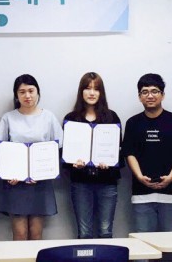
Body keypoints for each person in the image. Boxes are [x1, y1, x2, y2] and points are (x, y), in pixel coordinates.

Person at [0, 74, 63, 240]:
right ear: (16, 95)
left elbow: (57, 147)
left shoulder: (48, 117)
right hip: (15, 184)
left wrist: (44, 172)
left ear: (38, 92)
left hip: (40, 183)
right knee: (19, 234)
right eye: (22, 92)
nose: (27, 95)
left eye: (31, 91)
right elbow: (0, 149)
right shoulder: (8, 118)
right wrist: (8, 174)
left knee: (36, 233)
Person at [122, 73, 172, 232]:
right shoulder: (132, 123)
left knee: (171, 243)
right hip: (141, 194)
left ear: (162, 95)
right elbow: (129, 153)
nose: (150, 96)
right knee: (143, 242)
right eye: (145, 92)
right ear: (139, 97)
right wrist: (139, 176)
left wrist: (171, 177)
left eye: (154, 91)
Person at [63, 72, 122, 239]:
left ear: (101, 93)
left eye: (96, 89)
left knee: (105, 231)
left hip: (107, 182)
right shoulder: (71, 119)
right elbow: (65, 154)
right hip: (81, 183)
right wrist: (73, 163)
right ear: (81, 91)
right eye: (88, 88)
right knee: (84, 233)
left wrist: (109, 162)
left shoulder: (111, 117)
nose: (92, 93)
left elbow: (119, 150)